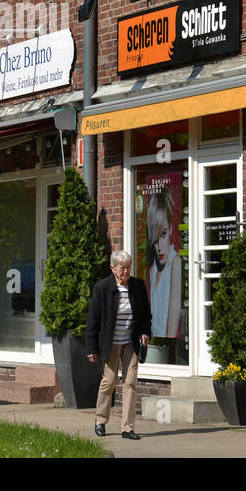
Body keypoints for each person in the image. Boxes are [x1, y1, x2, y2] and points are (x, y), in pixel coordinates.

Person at [85, 250, 152, 439]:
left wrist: (145, 332)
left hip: (130, 341)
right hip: (111, 342)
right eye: (122, 268)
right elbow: (93, 320)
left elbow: (146, 315)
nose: (126, 271)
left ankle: (127, 428)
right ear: (112, 268)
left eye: (128, 267)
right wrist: (91, 348)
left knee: (131, 382)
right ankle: (100, 421)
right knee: (110, 381)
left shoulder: (138, 286)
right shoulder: (102, 288)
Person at [144, 184, 184, 341]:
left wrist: (163, 346)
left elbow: (172, 330)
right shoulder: (152, 269)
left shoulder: (175, 263)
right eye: (155, 239)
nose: (159, 246)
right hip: (153, 342)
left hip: (165, 345)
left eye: (163, 234)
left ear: (171, 229)